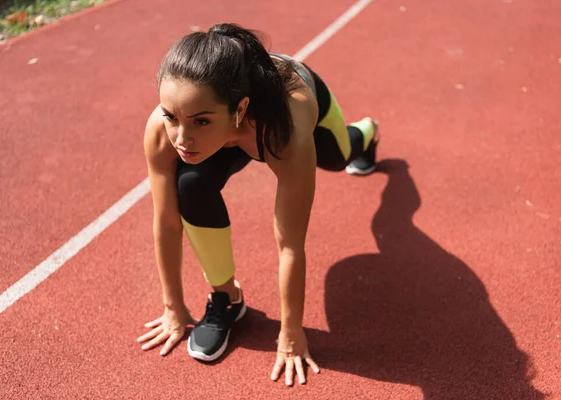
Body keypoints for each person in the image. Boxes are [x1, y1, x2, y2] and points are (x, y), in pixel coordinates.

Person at [136, 22, 379, 386]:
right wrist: (173, 309)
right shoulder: (164, 130)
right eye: (172, 116)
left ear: (239, 109)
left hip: (290, 97)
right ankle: (227, 298)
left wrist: (291, 333)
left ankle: (368, 132)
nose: (182, 138)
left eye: (200, 121)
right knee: (190, 183)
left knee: (339, 157)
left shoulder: (287, 132)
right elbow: (167, 222)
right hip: (234, 124)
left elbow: (290, 245)